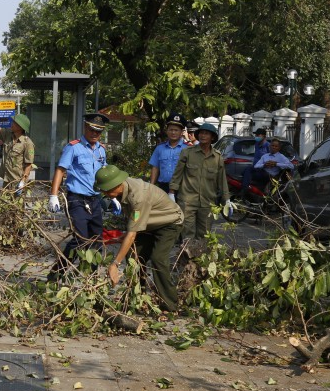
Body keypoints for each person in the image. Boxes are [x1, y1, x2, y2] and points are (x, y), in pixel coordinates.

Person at [95, 165, 183, 312]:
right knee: (133, 256)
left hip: (169, 223)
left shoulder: (138, 197)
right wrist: (127, 233)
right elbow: (134, 222)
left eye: (106, 190)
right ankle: (136, 298)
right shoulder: (123, 187)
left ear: (117, 185)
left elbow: (132, 232)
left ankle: (170, 305)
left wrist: (115, 264)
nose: (104, 193)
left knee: (158, 259)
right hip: (148, 224)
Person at [48, 113, 110, 265]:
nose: (95, 134)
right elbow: (60, 170)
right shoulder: (74, 147)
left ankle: (90, 277)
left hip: (95, 199)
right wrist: (53, 195)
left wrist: (111, 197)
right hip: (77, 199)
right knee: (81, 239)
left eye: (99, 131)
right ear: (85, 127)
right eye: (92, 130)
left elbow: (104, 175)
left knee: (97, 239)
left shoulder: (101, 150)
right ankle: (58, 273)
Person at [170, 122, 232, 240]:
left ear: (212, 137)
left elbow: (222, 180)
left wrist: (226, 199)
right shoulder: (187, 152)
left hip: (208, 202)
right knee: (187, 234)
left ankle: (199, 258)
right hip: (187, 201)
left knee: (204, 235)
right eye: (201, 133)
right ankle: (187, 258)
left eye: (206, 134)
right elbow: (177, 174)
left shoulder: (217, 157)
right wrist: (171, 193)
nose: (203, 136)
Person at [148, 113, 188, 200]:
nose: (173, 132)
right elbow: (155, 168)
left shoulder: (187, 149)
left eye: (176, 130)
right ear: (167, 131)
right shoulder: (160, 148)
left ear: (182, 132)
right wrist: (151, 187)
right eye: (171, 130)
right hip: (163, 187)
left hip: (182, 188)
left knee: (181, 212)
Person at [239, 127, 270, 198]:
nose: (256, 137)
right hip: (256, 169)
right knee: (246, 171)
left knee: (248, 169)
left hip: (264, 171)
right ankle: (245, 191)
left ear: (264, 136)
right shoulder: (257, 144)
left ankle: (244, 190)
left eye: (258, 135)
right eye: (256, 135)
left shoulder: (268, 146)